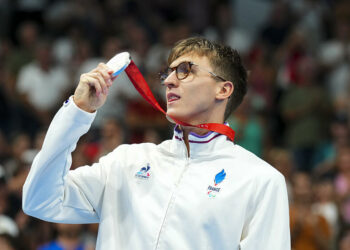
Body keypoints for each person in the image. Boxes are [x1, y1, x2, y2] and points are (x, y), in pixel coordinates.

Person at [22, 37, 290, 249]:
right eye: (169, 73)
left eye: (186, 71)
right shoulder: (127, 161)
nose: (170, 81)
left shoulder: (260, 181)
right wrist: (77, 113)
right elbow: (39, 200)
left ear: (223, 89)